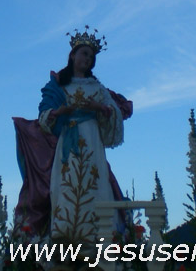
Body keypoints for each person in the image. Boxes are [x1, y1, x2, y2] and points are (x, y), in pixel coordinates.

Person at [13, 27, 132, 250]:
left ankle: (97, 240)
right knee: (66, 185)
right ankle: (65, 240)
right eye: (84, 53)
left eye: (91, 57)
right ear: (72, 55)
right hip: (68, 142)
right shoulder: (59, 86)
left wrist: (98, 108)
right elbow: (44, 116)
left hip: (91, 139)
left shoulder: (97, 87)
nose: (88, 59)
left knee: (94, 182)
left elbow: (113, 112)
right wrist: (58, 112)